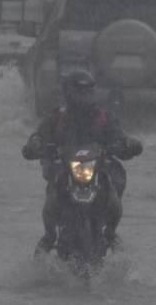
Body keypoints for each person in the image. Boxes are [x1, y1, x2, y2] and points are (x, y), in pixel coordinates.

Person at [21, 68, 143, 254]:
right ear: (68, 93)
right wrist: (35, 145)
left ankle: (110, 233)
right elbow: (39, 136)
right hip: (65, 174)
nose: (84, 96)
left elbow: (119, 137)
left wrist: (127, 144)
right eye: (79, 91)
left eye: (88, 91)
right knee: (52, 198)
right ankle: (49, 238)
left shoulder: (104, 118)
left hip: (98, 174)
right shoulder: (57, 118)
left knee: (113, 191)